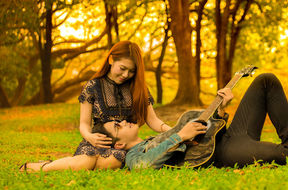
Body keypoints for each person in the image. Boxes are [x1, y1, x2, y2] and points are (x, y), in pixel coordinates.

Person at [93, 73, 288, 170]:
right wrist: (179, 137)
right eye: (118, 125)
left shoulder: (153, 135)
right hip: (220, 154)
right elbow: (145, 166)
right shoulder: (133, 155)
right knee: (271, 154)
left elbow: (207, 127)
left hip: (229, 135)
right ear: (118, 142)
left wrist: (220, 110)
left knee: (266, 80)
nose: (126, 121)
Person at [20, 40, 173, 172]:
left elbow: (153, 120)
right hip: (95, 142)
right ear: (111, 60)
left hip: (123, 146)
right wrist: (90, 137)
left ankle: (70, 165)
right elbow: (84, 124)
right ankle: (42, 167)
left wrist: (173, 131)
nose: (126, 74)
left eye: (131, 71)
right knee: (88, 160)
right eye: (123, 68)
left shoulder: (138, 88)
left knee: (112, 160)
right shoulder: (92, 86)